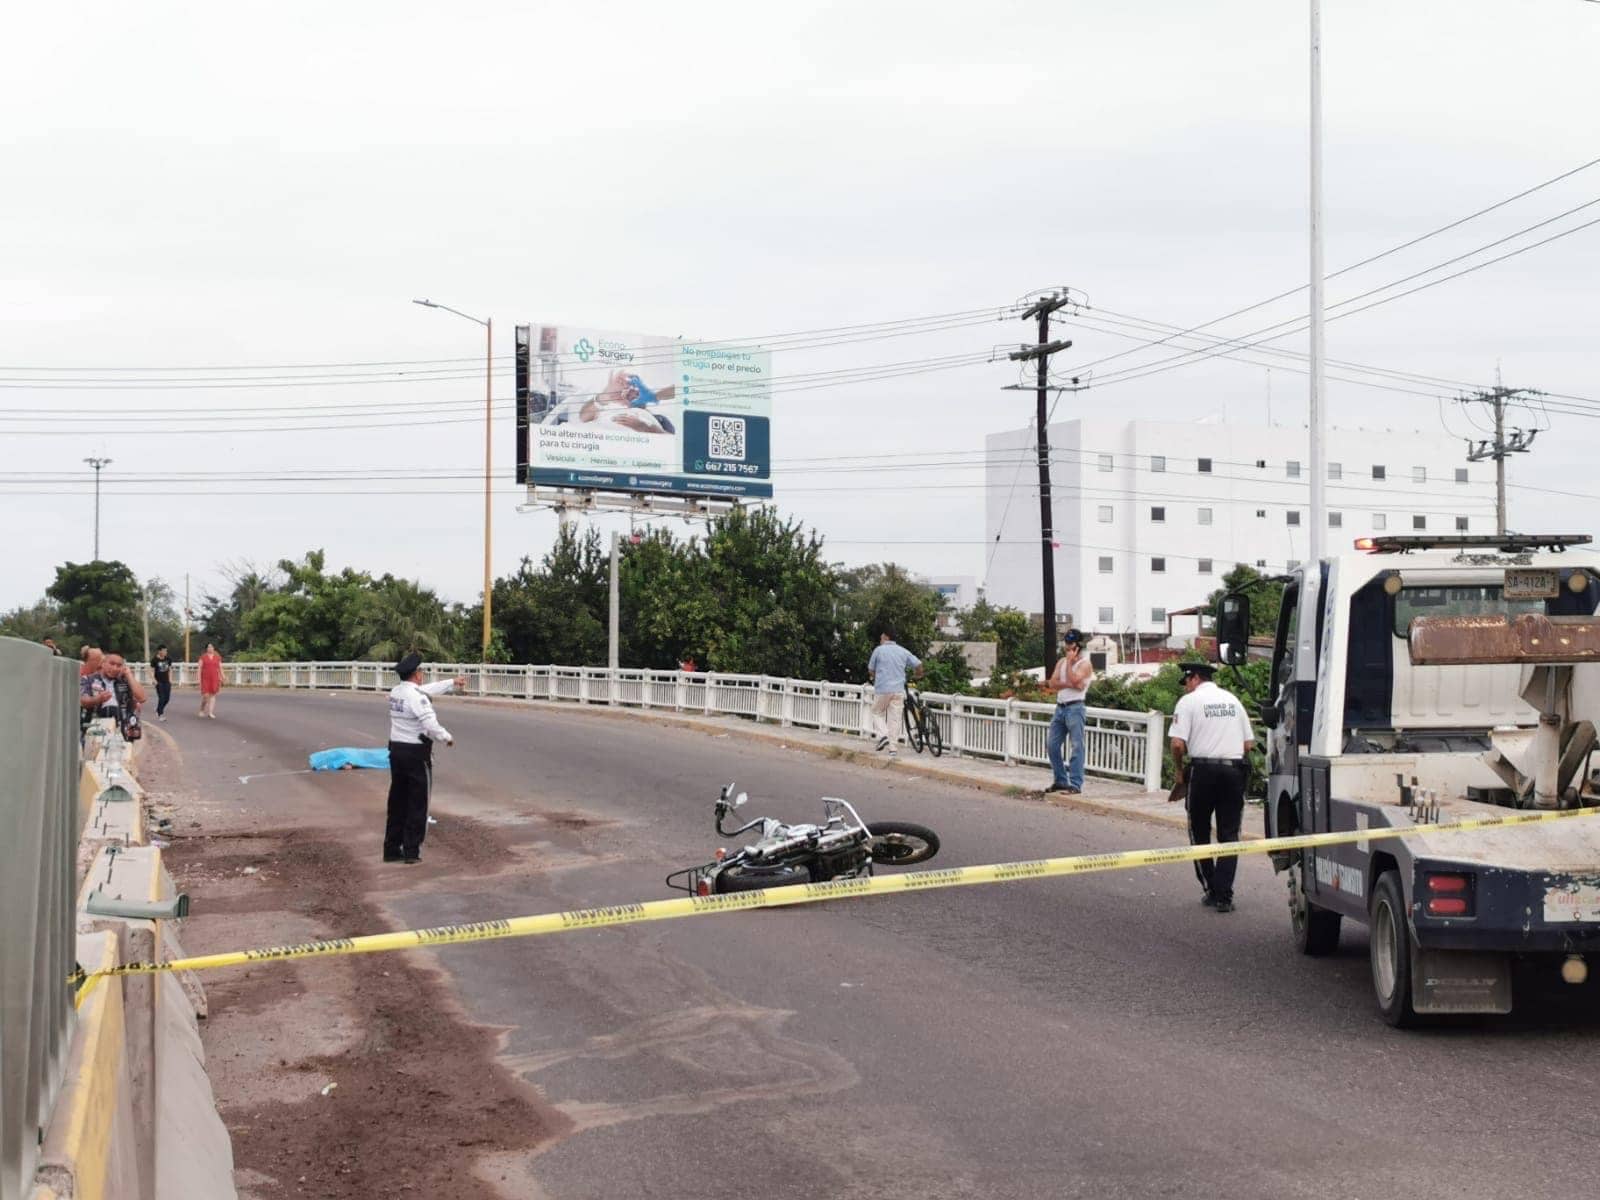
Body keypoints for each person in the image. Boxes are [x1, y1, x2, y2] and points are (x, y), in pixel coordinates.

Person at [1168, 660, 1256, 914]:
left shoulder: (1189, 702)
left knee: (1199, 830)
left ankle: (1211, 888)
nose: (1185, 688)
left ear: (1194, 678)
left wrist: (1178, 770)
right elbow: (1248, 745)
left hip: (1202, 772)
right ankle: (1225, 895)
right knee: (1230, 835)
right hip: (1233, 771)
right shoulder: (1232, 701)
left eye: (1186, 682)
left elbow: (1176, 744)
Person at [384, 653, 466, 864]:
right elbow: (429, 723)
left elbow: (424, 691)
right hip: (416, 754)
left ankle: (391, 849)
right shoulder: (417, 698)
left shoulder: (396, 692)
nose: (423, 675)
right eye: (421, 672)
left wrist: (451, 682)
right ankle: (412, 851)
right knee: (417, 802)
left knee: (398, 800)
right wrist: (446, 737)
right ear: (417, 674)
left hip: (396, 751)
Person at [1041, 630, 1094, 794]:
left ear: (1078, 646)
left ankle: (1075, 783)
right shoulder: (1061, 662)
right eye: (1066, 643)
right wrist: (1070, 683)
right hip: (1060, 707)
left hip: (1075, 708)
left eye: (1071, 644)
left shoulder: (1085, 664)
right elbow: (1052, 683)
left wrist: (1071, 665)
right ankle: (1061, 780)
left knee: (1077, 746)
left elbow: (1076, 680)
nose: (1068, 647)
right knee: (1052, 745)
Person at [866, 630, 922, 756]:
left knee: (876, 711)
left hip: (883, 689)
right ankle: (893, 749)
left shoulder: (878, 650)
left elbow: (871, 669)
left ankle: (883, 735)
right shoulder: (903, 651)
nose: (880, 641)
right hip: (898, 690)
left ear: (886, 637)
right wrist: (918, 675)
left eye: (881, 638)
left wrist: (876, 677)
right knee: (895, 719)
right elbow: (918, 664)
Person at [198, 643, 224, 719]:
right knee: (205, 696)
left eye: (212, 647)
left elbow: (220, 668)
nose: (210, 648)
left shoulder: (217, 657)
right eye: (209, 647)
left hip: (214, 678)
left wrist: (223, 677)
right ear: (206, 649)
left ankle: (210, 712)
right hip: (205, 678)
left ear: (214, 648)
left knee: (213, 695)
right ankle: (202, 709)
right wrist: (198, 679)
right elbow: (199, 669)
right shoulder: (202, 657)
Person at [150, 644, 174, 721]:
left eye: (166, 651)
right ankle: (160, 714)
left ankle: (158, 709)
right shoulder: (154, 660)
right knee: (161, 698)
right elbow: (151, 671)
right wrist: (154, 680)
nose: (165, 652)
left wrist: (170, 679)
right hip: (159, 682)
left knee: (167, 699)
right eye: (164, 651)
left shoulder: (168, 659)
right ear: (159, 651)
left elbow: (170, 670)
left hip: (167, 681)